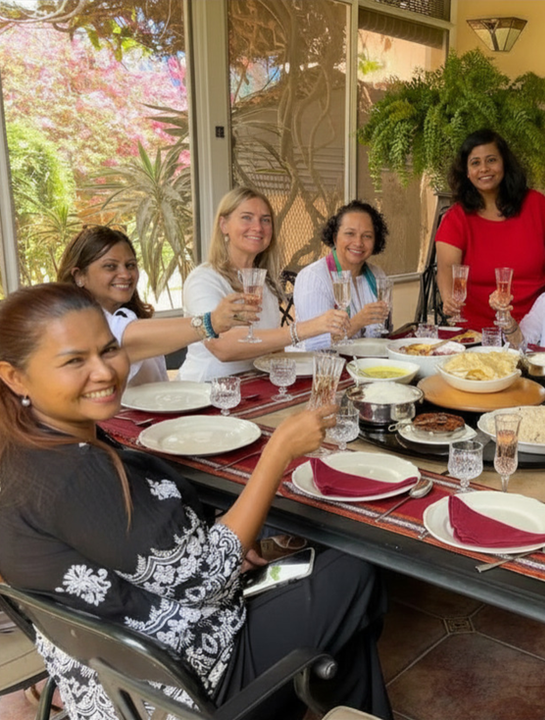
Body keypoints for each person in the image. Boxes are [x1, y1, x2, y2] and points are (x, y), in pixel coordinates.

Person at [0, 283, 392, 720]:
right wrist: (278, 451)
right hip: (181, 687)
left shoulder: (26, 452)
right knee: (355, 573)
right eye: (74, 360)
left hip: (118, 674)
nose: (104, 372)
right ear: (15, 376)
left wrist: (216, 543)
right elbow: (207, 579)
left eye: (109, 349)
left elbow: (143, 553)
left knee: (339, 615)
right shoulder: (75, 474)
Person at [178, 187, 348, 382]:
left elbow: (273, 350)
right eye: (247, 217)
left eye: (265, 220)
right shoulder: (204, 280)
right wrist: (306, 328)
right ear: (224, 225)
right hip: (206, 389)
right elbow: (222, 346)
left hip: (255, 388)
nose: (258, 227)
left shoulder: (264, 284)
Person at [57, 225, 259, 385]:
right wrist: (211, 322)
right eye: (110, 266)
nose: (125, 274)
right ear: (79, 276)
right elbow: (126, 340)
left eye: (130, 265)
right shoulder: (77, 325)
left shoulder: (128, 316)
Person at [435, 129, 545, 329]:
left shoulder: (536, 205)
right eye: (475, 163)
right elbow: (447, 270)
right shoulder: (456, 218)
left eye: (491, 160)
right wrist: (449, 301)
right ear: (467, 172)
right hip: (478, 332)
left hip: (537, 328)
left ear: (505, 163)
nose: (484, 168)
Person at [293, 200, 391, 351]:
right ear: (334, 237)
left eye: (367, 236)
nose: (358, 243)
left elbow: (384, 334)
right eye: (350, 234)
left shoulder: (377, 275)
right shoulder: (314, 277)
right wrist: (358, 322)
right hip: (320, 364)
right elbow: (315, 344)